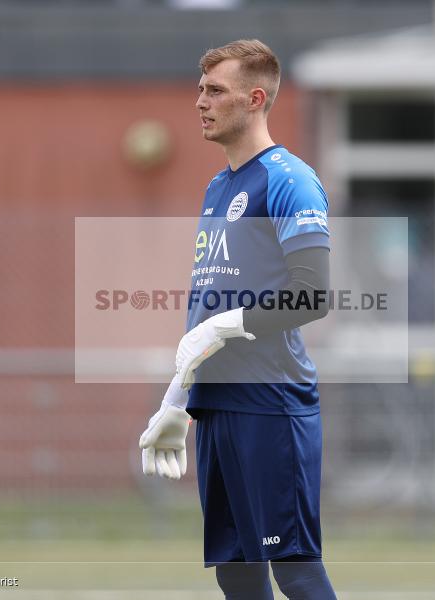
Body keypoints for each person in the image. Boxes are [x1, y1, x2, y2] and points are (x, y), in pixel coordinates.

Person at [139, 40, 337, 599]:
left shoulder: (289, 179)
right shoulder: (218, 186)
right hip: (217, 405)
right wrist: (177, 401)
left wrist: (225, 326)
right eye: (200, 89)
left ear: (254, 99)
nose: (200, 102)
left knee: (294, 568)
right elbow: (206, 306)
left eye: (215, 91)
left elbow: (312, 296)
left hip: (270, 403)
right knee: (237, 571)